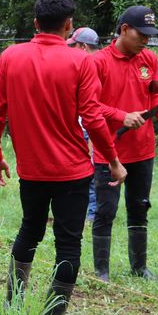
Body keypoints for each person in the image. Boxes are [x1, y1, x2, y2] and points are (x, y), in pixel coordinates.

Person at [0, 0, 127, 315]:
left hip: (30, 171)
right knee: (68, 243)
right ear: (69, 26)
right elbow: (93, 119)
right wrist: (113, 161)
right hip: (73, 173)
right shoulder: (81, 62)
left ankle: (13, 305)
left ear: (35, 23)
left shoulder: (11, 56)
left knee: (29, 231)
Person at [91, 5, 158, 282]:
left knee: (140, 206)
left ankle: (140, 268)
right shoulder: (97, 62)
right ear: (124, 30)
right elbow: (89, 107)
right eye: (142, 34)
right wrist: (122, 116)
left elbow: (155, 95)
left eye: (150, 35)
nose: (146, 40)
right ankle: (101, 272)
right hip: (109, 150)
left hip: (143, 149)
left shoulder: (149, 58)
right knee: (106, 210)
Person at [67, 27, 101, 221]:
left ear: (84, 47)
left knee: (91, 174)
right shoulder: (95, 62)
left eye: (74, 45)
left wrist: (91, 140)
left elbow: (94, 107)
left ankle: (91, 216)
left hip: (91, 127)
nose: (71, 50)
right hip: (86, 126)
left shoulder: (92, 65)